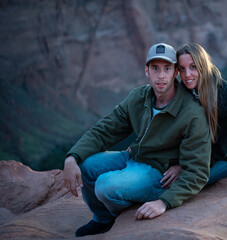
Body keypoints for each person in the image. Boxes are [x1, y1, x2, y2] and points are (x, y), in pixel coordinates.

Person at [63, 43, 211, 237]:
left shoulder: (192, 113)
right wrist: (72, 157)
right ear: (146, 71)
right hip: (133, 158)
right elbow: (105, 129)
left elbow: (198, 171)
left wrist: (164, 202)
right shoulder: (138, 97)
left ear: (175, 72)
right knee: (85, 166)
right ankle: (102, 219)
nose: (161, 76)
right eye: (155, 68)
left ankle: (126, 210)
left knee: (105, 187)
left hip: (158, 172)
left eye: (167, 69)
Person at [160, 43, 227, 188]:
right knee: (162, 173)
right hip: (201, 152)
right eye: (182, 69)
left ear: (203, 65)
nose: (187, 75)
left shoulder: (225, 97)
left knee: (183, 182)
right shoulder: (185, 90)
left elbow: (222, 148)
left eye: (193, 67)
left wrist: (183, 166)